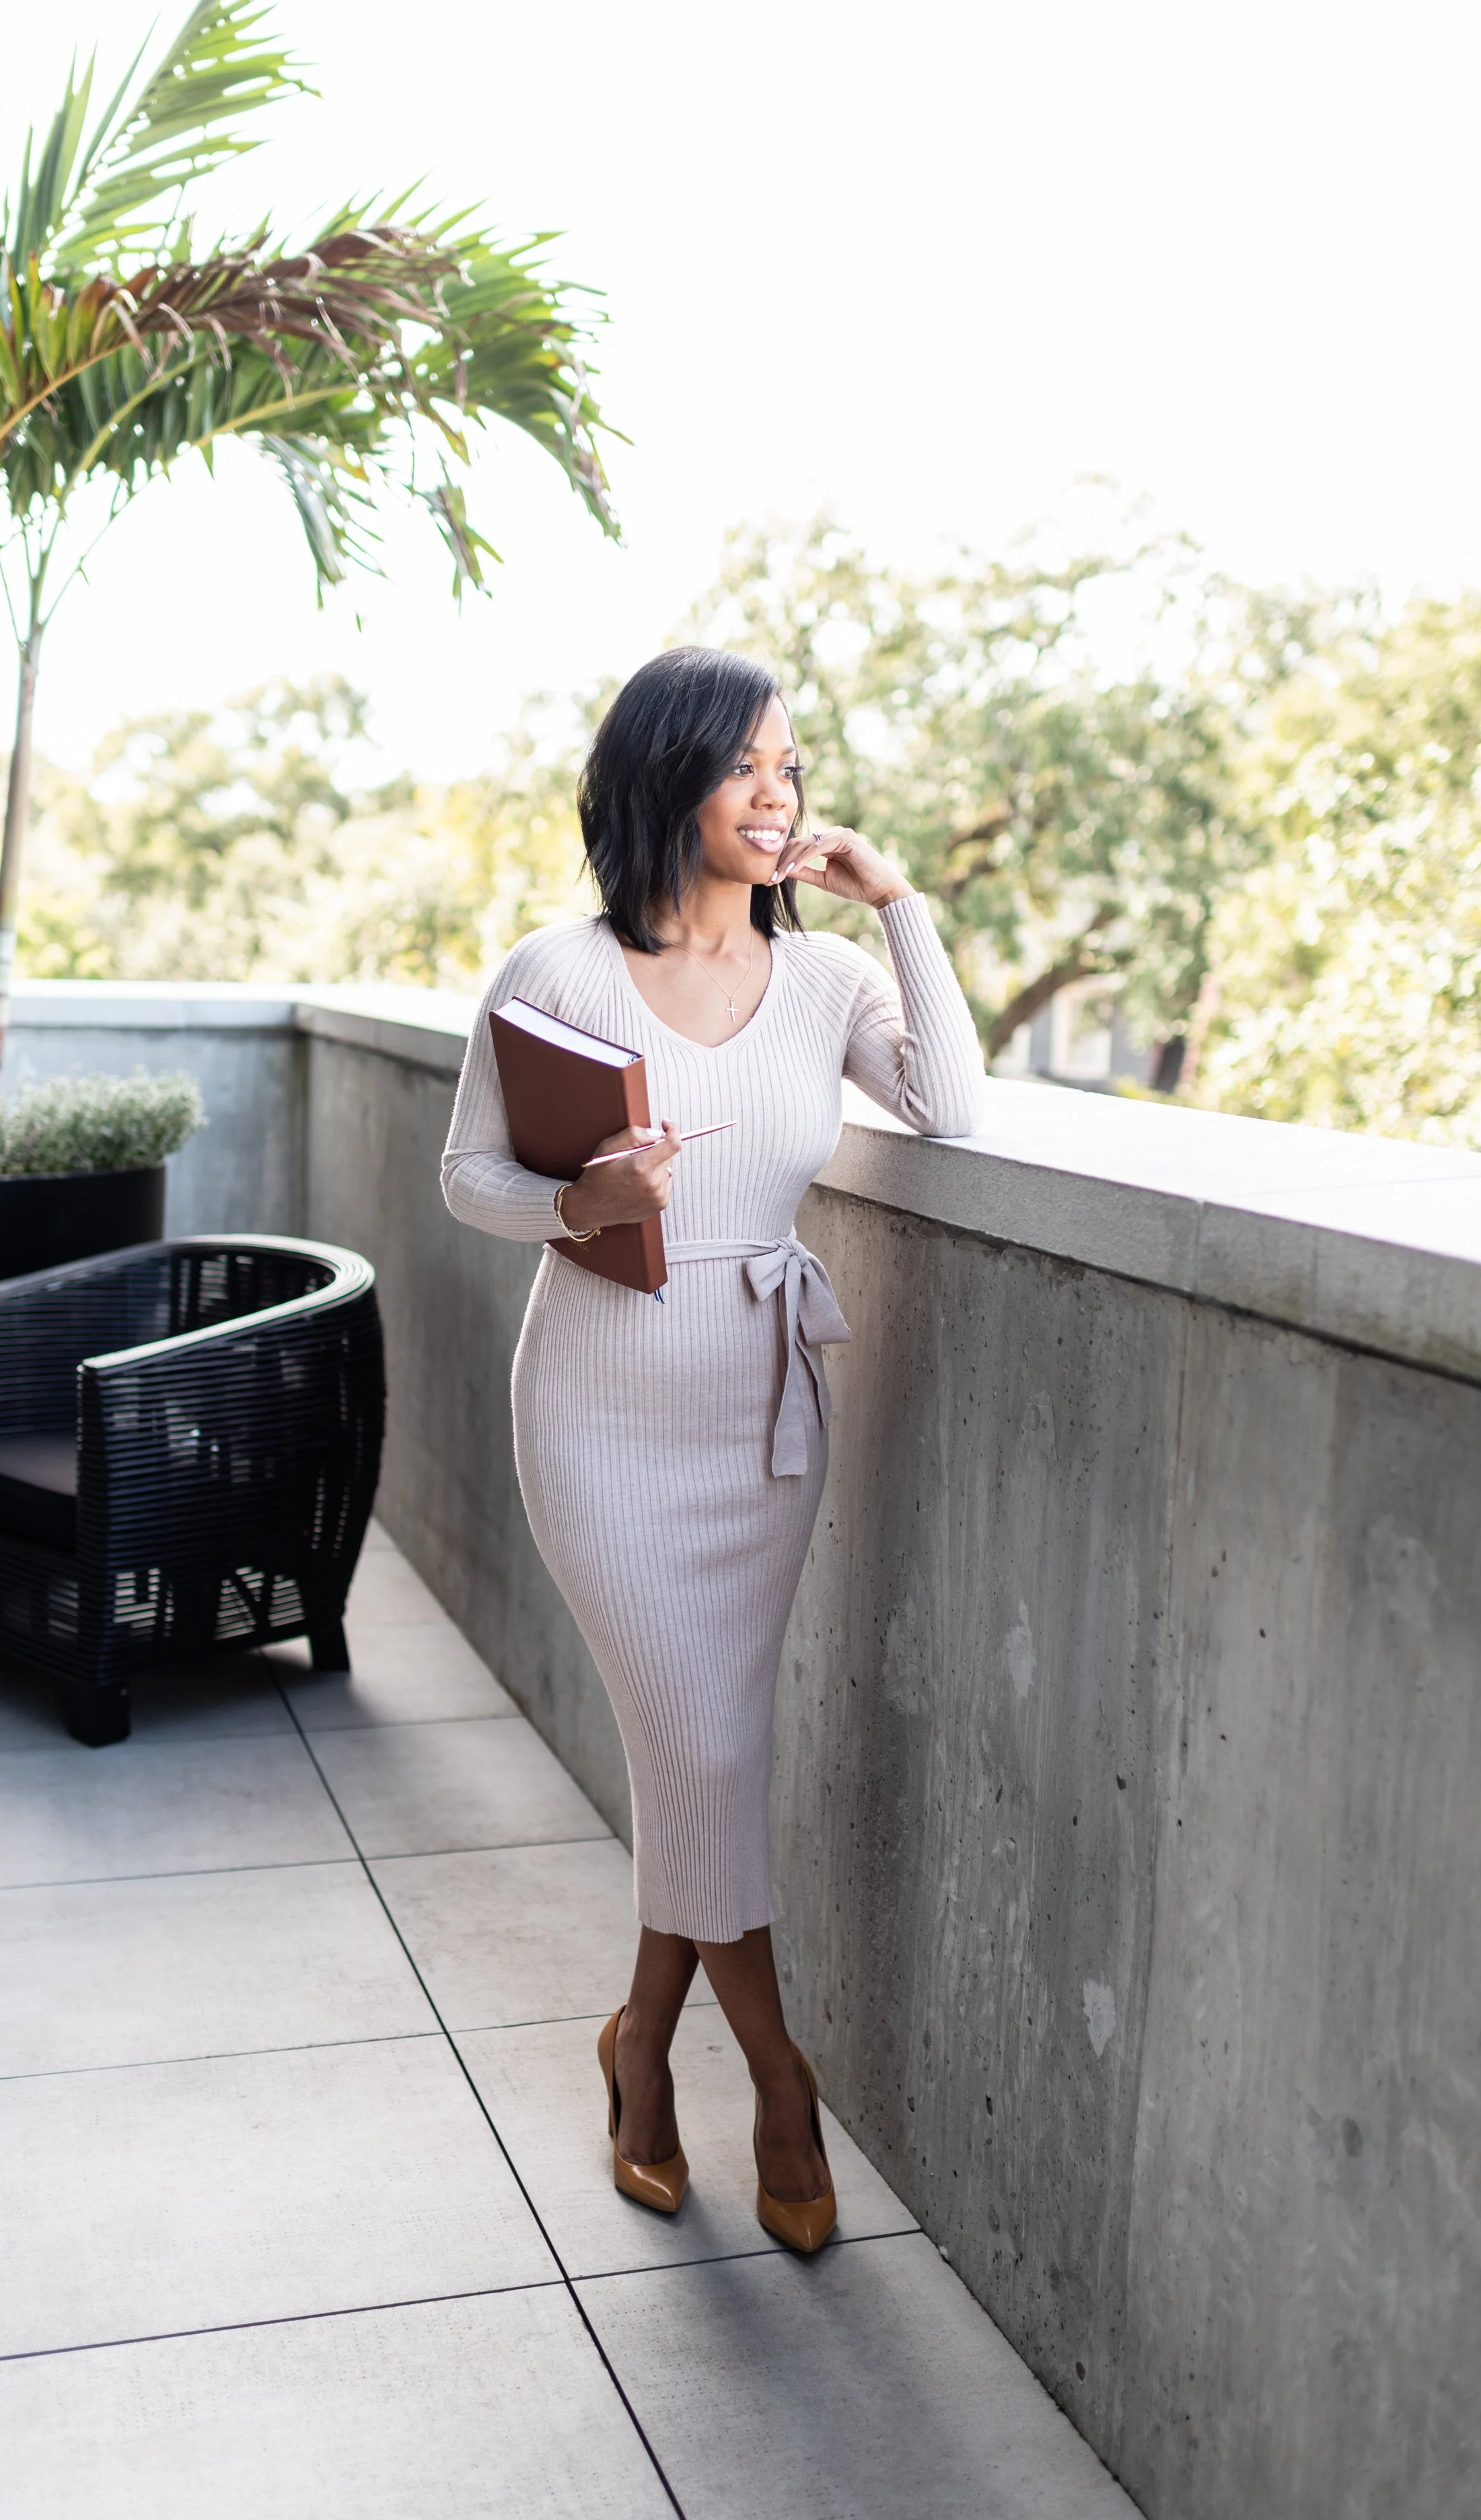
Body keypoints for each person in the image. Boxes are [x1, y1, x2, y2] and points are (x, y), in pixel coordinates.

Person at [441, 647, 983, 2252]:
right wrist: (579, 1206)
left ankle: (634, 2050)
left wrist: (897, 905)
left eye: (792, 770)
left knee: (707, 1754)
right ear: (664, 776)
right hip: (600, 1413)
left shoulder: (824, 984)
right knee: (706, 1749)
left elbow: (950, 1110)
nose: (777, 796)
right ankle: (778, 2077)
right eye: (745, 765)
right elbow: (470, 1174)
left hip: (759, 1418)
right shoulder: (558, 969)